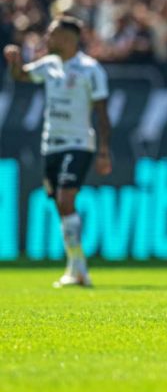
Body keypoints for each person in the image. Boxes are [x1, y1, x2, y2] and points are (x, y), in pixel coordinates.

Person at [3, 16, 111, 288]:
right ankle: (75, 267)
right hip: (51, 144)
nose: (47, 39)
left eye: (52, 35)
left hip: (78, 143)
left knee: (65, 199)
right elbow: (22, 76)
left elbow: (102, 113)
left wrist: (104, 150)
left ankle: (78, 267)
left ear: (67, 38)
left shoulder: (90, 69)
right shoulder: (49, 65)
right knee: (61, 206)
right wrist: (15, 63)